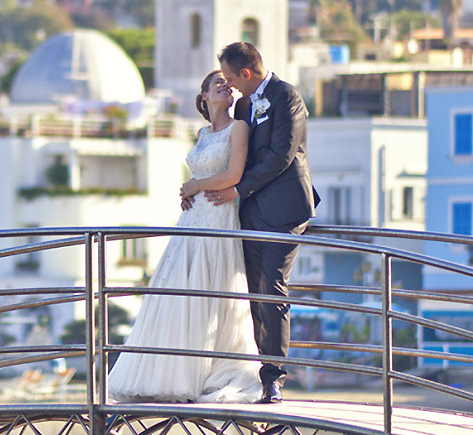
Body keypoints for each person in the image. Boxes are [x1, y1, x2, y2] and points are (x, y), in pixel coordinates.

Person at [106, 69, 262, 403]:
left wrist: (195, 185)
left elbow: (233, 175)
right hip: (192, 218)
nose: (224, 86)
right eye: (216, 84)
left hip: (219, 214)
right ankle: (171, 370)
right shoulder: (203, 133)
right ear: (204, 96)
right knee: (180, 290)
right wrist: (190, 190)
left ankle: (206, 370)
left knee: (211, 288)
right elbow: (204, 170)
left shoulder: (240, 128)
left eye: (226, 83)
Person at [201, 42, 320, 404]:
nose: (231, 85)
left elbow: (281, 155)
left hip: (285, 210)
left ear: (246, 74)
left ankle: (274, 379)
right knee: (253, 292)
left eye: (232, 78)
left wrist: (237, 188)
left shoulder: (287, 96)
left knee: (272, 289)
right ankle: (254, 371)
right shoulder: (243, 105)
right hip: (249, 213)